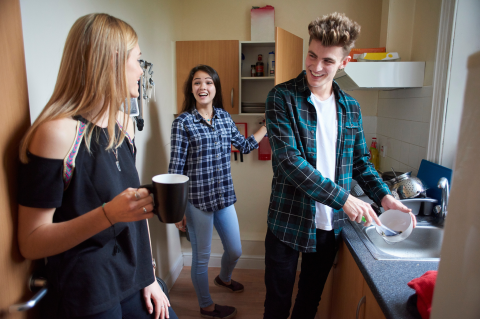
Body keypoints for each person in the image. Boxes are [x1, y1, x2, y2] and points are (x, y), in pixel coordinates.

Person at [17, 13, 177, 319]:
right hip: (88, 291)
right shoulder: (58, 133)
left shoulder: (124, 124)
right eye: (138, 60)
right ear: (114, 60)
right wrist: (107, 215)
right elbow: (31, 241)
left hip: (133, 277)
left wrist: (150, 275)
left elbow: (135, 209)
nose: (141, 72)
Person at [262, 12, 417, 319]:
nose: (316, 67)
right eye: (312, 55)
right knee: (277, 305)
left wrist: (385, 196)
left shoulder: (351, 108)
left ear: (344, 63)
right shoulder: (281, 97)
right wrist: (344, 198)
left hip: (328, 227)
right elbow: (289, 163)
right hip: (287, 220)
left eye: (328, 61)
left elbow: (361, 162)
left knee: (309, 302)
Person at [169, 64, 267, 319]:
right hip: (197, 201)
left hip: (224, 197)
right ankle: (206, 306)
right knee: (201, 258)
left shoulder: (223, 117)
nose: (203, 87)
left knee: (235, 250)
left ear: (215, 87)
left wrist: (266, 126)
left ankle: (224, 278)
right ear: (191, 89)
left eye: (208, 82)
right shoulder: (183, 122)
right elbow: (175, 170)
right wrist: (178, 211)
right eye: (197, 83)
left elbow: (244, 146)